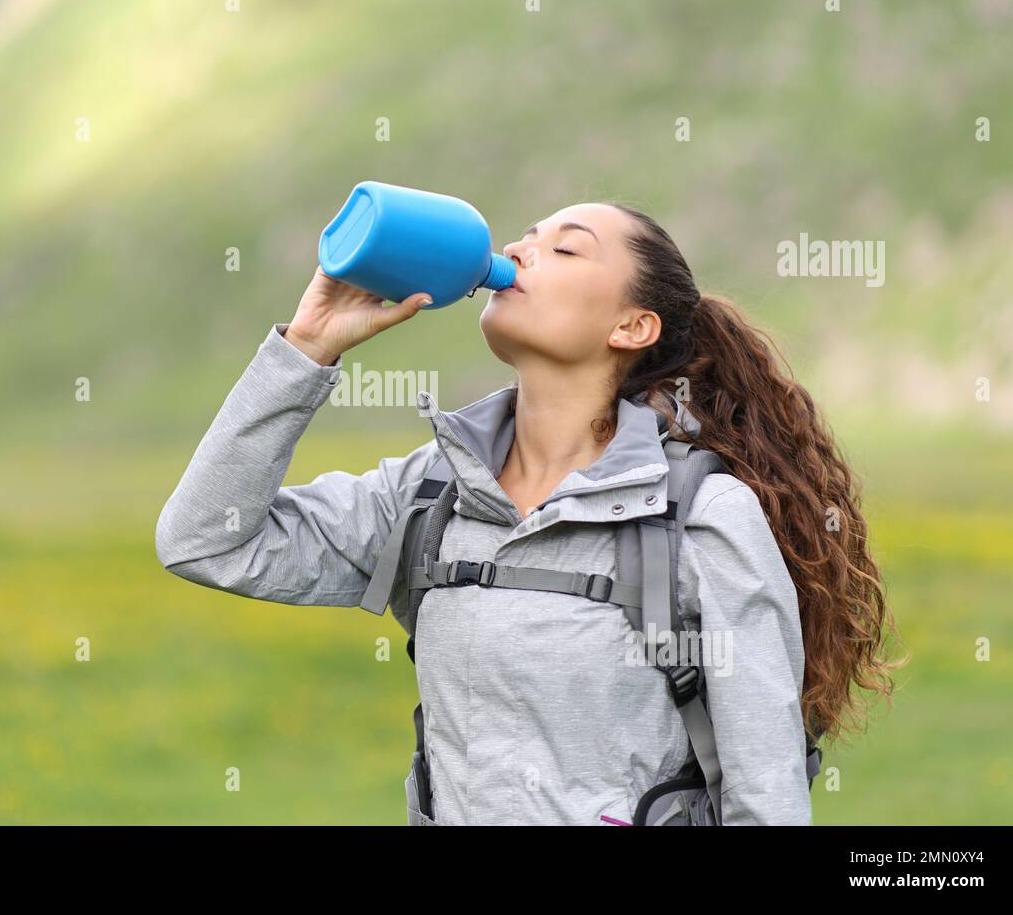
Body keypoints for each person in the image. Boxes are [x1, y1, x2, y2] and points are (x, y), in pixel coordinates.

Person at [155, 200, 902, 825]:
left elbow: (764, 799)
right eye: (525, 239)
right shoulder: (432, 492)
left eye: (566, 248)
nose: (520, 249)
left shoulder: (700, 515)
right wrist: (307, 350)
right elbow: (204, 542)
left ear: (632, 327)